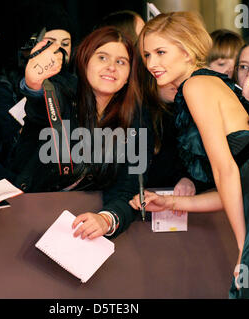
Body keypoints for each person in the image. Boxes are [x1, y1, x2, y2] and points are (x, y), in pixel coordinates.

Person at [136, 11, 249, 298]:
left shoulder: (196, 86)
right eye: (147, 54)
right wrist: (171, 201)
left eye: (161, 52)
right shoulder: (206, 84)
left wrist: (244, 246)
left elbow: (226, 171)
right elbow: (235, 184)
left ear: (186, 50)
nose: (152, 63)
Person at [11, 26, 153, 240]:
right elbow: (41, 109)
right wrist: (34, 84)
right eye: (102, 57)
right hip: (31, 216)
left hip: (88, 227)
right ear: (85, 60)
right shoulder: (63, 91)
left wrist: (107, 219)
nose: (111, 67)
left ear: (129, 75)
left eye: (121, 62)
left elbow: (130, 187)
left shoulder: (137, 118)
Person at [0, 2, 75, 164]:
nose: (58, 49)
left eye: (65, 44)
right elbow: (10, 142)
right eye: (50, 41)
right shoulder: (6, 85)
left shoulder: (76, 81)